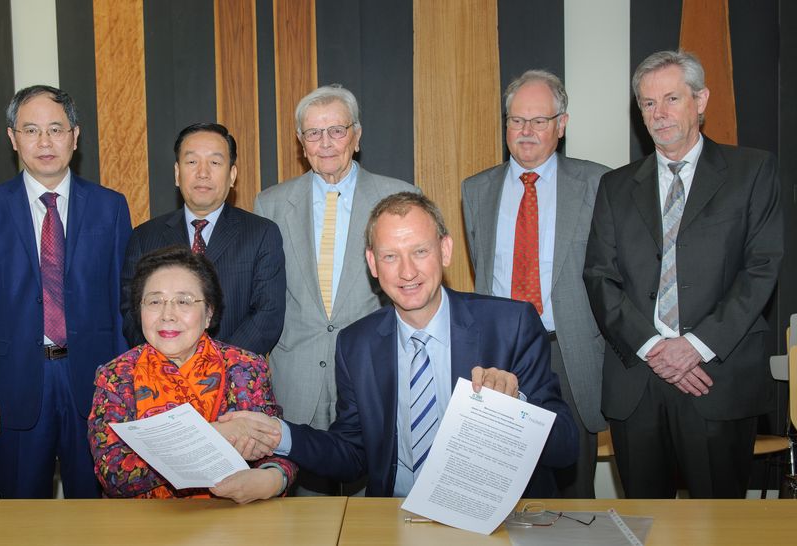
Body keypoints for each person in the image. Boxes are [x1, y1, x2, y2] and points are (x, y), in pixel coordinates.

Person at [223, 192, 577, 497]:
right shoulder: (356, 344)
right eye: (390, 256)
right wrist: (278, 435)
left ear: (445, 250)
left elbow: (566, 448)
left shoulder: (510, 325)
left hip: (491, 520)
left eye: (420, 251)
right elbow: (352, 453)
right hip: (395, 516)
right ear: (373, 264)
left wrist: (516, 408)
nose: (407, 272)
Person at [583, 50, 783, 498]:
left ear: (701, 100)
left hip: (716, 379)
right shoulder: (614, 186)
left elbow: (762, 268)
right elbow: (599, 276)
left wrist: (694, 346)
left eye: (672, 98)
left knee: (718, 528)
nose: (660, 114)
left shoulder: (751, 172)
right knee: (644, 524)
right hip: (638, 381)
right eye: (648, 104)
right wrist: (657, 349)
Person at [0, 85, 133, 498]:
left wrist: (125, 389)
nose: (45, 141)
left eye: (56, 129)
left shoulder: (110, 207)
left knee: (94, 509)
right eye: (31, 130)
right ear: (12, 138)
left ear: (75, 135)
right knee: (21, 513)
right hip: (14, 383)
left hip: (94, 383)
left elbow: (123, 304)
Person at [461, 69, 609, 498]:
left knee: (573, 486)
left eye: (539, 121)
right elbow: (482, 268)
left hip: (570, 351)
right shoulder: (476, 190)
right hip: (501, 352)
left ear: (561, 125)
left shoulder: (598, 183)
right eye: (516, 120)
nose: (526, 131)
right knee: (500, 485)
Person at [253, 85, 415, 466]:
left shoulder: (400, 198)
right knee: (298, 514)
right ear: (301, 142)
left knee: (372, 509)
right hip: (296, 380)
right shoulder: (270, 204)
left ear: (356, 136)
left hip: (373, 373)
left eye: (337, 131)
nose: (325, 143)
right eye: (313, 133)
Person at [90, 246, 296, 502]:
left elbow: (278, 450)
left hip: (231, 517)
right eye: (154, 301)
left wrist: (273, 479)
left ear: (209, 313)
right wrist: (215, 435)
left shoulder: (244, 367)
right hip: (144, 524)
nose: (167, 315)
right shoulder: (116, 376)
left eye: (183, 301)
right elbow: (113, 474)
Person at [121, 123, 285, 355]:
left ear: (232, 175)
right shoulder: (144, 237)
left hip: (233, 377)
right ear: (177, 174)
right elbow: (131, 312)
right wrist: (172, 365)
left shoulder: (261, 234)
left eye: (215, 162)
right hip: (162, 379)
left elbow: (268, 314)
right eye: (192, 162)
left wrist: (215, 366)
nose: (203, 172)